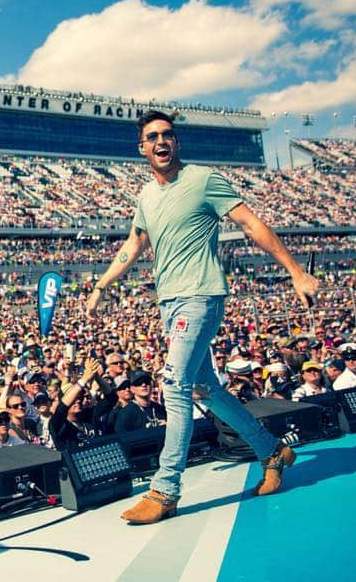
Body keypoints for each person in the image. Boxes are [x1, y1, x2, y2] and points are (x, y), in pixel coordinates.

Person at [86, 110, 319, 525]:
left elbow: (250, 223)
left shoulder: (203, 179)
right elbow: (134, 244)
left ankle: (165, 490)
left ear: (176, 142)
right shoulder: (145, 197)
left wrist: (296, 270)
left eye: (168, 135)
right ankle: (272, 451)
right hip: (169, 303)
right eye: (152, 136)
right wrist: (102, 285)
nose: (161, 141)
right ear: (142, 148)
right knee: (206, 390)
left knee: (174, 385)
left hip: (201, 296)